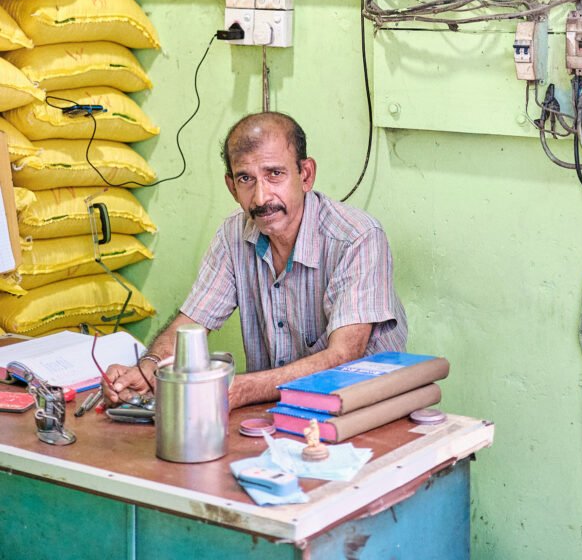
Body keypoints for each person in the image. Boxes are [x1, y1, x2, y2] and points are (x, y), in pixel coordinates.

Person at [105, 112, 408, 409]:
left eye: (275, 174)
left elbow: (344, 356)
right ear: (232, 187)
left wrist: (242, 389)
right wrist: (149, 369)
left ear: (305, 175)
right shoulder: (233, 235)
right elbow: (191, 324)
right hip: (276, 414)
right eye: (246, 179)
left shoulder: (357, 237)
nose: (261, 198)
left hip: (362, 411)